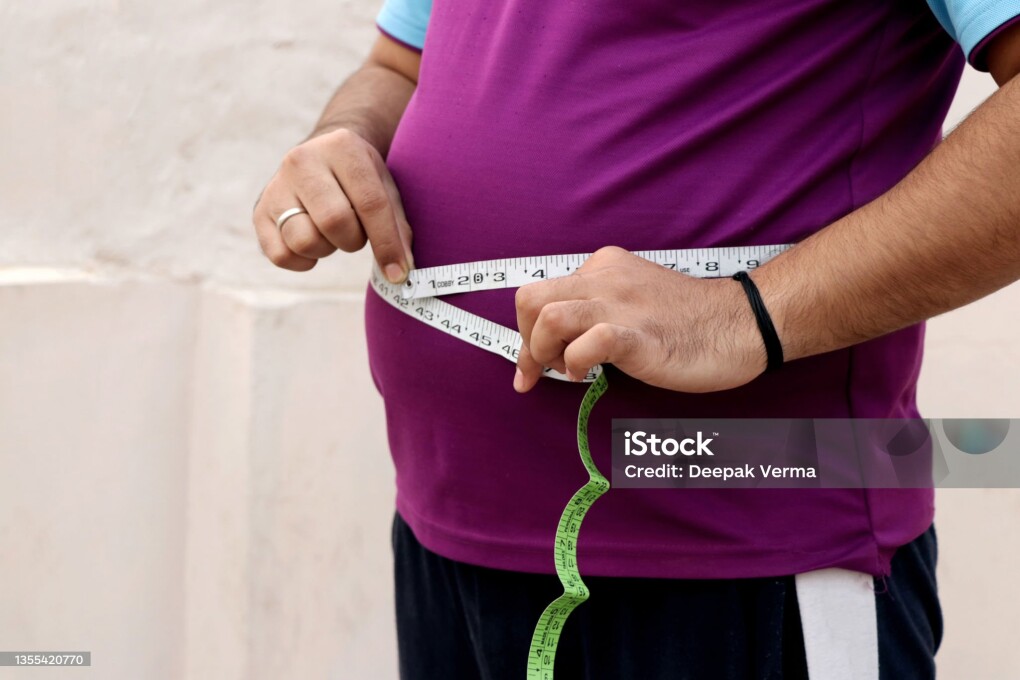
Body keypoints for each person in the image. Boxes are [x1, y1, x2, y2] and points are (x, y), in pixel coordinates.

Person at [252, 0, 1020, 677]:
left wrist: (745, 312)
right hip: (443, 531)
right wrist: (343, 137)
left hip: (743, 545)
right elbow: (398, 63)